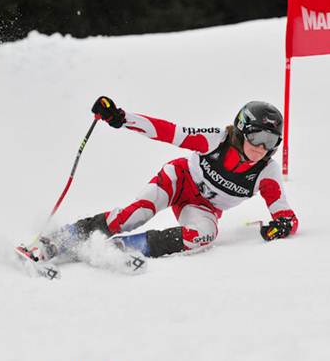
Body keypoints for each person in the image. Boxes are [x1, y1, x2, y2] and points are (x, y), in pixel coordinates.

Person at [36, 96, 299, 260]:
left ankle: (122, 248)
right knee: (134, 215)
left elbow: (286, 216)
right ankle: (61, 239)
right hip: (178, 179)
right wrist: (121, 118)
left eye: (270, 141)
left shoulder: (267, 172)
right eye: (256, 138)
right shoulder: (216, 139)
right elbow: (169, 132)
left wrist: (282, 227)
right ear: (241, 131)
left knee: (203, 236)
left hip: (202, 207)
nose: (261, 148)